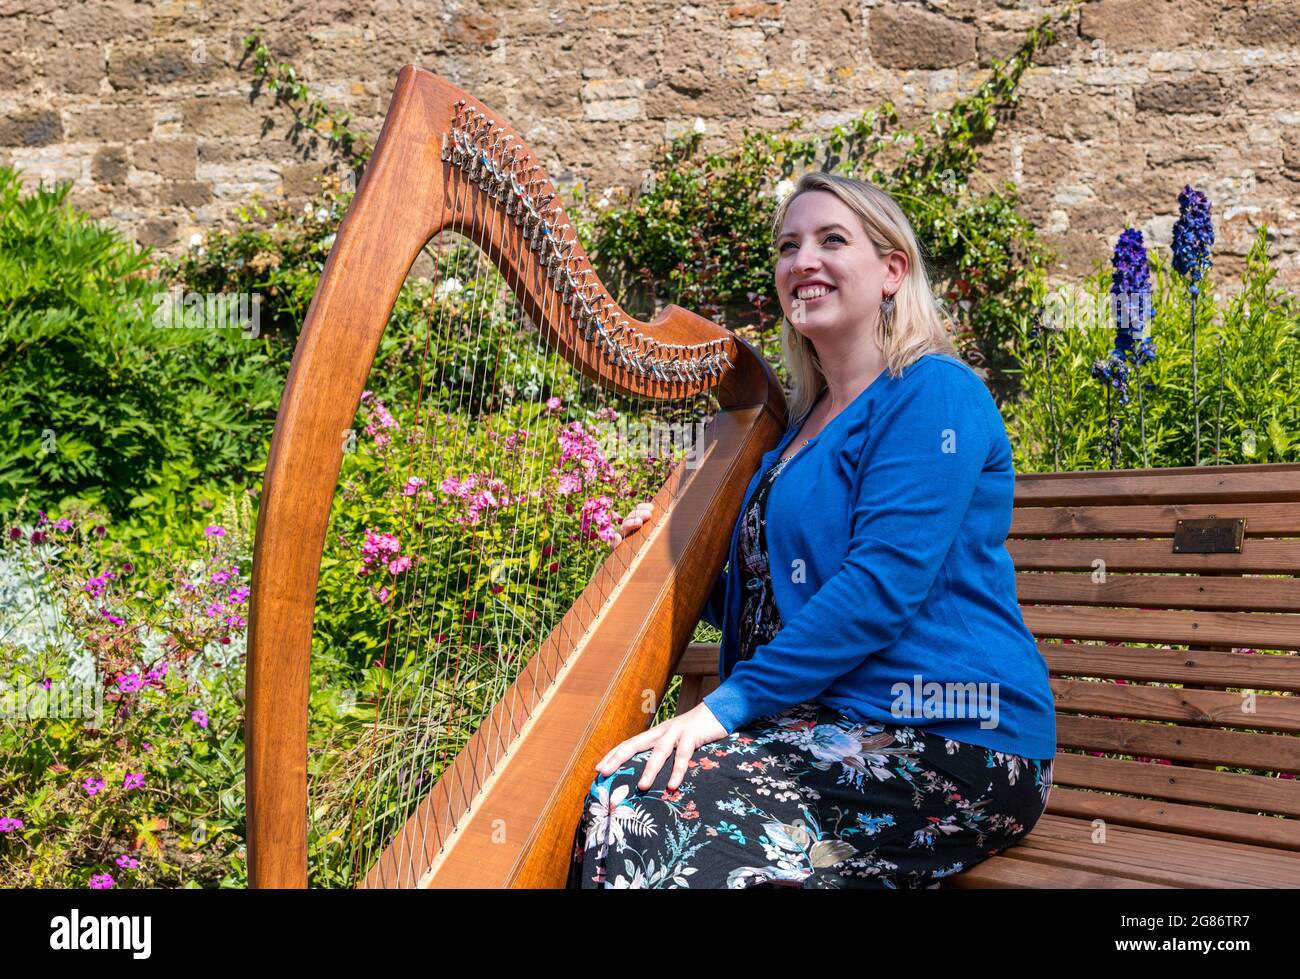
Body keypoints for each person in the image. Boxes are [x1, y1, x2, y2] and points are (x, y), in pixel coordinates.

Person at [566, 172, 1057, 889]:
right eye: (789, 245)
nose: (804, 260)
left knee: (655, 807)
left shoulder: (934, 392)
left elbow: (877, 591)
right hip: (830, 726)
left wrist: (720, 709)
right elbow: (771, 598)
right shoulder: (794, 435)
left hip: (956, 739)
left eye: (832, 240)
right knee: (627, 797)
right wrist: (665, 557)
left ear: (892, 270)